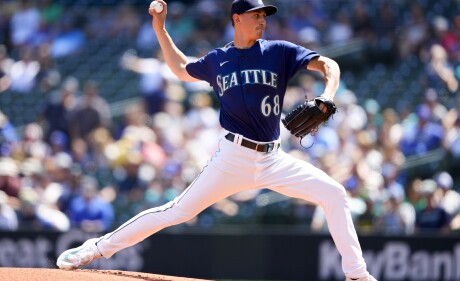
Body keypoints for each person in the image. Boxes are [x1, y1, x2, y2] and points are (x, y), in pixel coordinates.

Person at [56, 1, 377, 280]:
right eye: (256, 14)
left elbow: (328, 64)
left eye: (265, 15)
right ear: (237, 19)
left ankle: (357, 274)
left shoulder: (279, 51)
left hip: (273, 159)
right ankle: (93, 249)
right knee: (176, 211)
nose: (263, 20)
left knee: (334, 194)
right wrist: (160, 29)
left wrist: (327, 95)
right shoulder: (218, 60)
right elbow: (181, 69)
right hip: (232, 157)